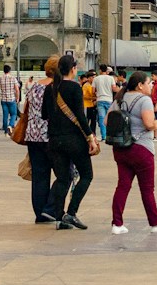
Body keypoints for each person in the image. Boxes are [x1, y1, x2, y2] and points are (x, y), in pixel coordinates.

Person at [110, 72, 157, 234]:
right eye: (148, 83)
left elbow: (107, 121)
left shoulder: (120, 98)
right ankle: (156, 224)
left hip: (121, 148)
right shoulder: (144, 100)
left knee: (123, 186)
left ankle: (117, 224)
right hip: (141, 148)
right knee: (147, 188)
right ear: (140, 85)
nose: (150, 86)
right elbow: (148, 124)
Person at [44, 53, 96, 230]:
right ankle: (71, 213)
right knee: (87, 174)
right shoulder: (74, 88)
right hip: (73, 140)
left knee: (62, 178)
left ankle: (59, 219)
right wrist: (90, 136)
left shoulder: (49, 89)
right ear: (73, 69)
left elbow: (44, 114)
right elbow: (81, 116)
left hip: (54, 140)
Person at [20, 68, 59, 223]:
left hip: (32, 135)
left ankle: (40, 213)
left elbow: (26, 109)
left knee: (39, 176)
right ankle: (49, 208)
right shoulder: (57, 88)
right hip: (50, 135)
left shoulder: (34, 86)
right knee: (64, 175)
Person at [0, 64, 22, 132]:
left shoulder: (0, 78)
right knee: (14, 114)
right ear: (9, 70)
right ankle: (10, 125)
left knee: (5, 114)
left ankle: (5, 128)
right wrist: (17, 98)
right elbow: (17, 89)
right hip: (11, 99)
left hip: (3, 99)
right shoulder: (13, 78)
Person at [91, 65, 117, 133]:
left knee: (102, 118)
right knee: (109, 118)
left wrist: (97, 93)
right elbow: (114, 89)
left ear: (100, 70)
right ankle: (109, 134)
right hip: (109, 100)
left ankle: (104, 136)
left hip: (100, 100)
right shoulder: (111, 78)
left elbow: (93, 91)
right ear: (106, 70)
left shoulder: (96, 79)